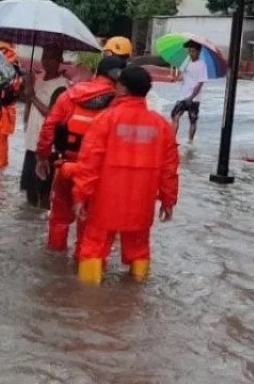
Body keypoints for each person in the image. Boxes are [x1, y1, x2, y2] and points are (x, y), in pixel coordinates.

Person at [71, 66, 180, 284]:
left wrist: (80, 195)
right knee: (139, 248)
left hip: (105, 199)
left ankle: (86, 301)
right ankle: (134, 296)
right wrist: (168, 201)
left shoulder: (106, 119)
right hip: (142, 200)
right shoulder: (161, 125)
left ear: (121, 87)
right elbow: (170, 168)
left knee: (93, 247)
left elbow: (89, 162)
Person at [36, 55, 126, 252]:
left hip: (67, 167)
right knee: (90, 225)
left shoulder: (70, 95)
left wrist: (42, 157)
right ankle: (80, 269)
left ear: (96, 73)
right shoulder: (120, 103)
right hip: (98, 175)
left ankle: (54, 265)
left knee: (59, 219)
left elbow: (49, 127)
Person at [21, 46, 68, 208]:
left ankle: (43, 228)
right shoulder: (39, 79)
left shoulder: (62, 87)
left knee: (45, 194)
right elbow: (29, 106)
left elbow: (53, 115)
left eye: (51, 57)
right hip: (32, 143)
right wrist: (28, 89)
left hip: (48, 147)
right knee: (30, 193)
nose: (46, 62)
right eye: (44, 57)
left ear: (59, 60)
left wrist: (33, 97)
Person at [0, 40, 21, 169]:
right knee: (1, 145)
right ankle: (0, 174)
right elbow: (17, 85)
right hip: (7, 109)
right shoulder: (13, 59)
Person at [171, 40, 207, 143]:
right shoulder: (187, 62)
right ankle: (173, 140)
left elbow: (200, 84)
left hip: (194, 98)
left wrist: (191, 97)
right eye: (189, 51)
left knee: (193, 120)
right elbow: (181, 77)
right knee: (175, 115)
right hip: (183, 96)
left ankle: (190, 142)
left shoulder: (202, 65)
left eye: (193, 51)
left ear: (198, 52)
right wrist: (177, 77)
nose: (190, 53)